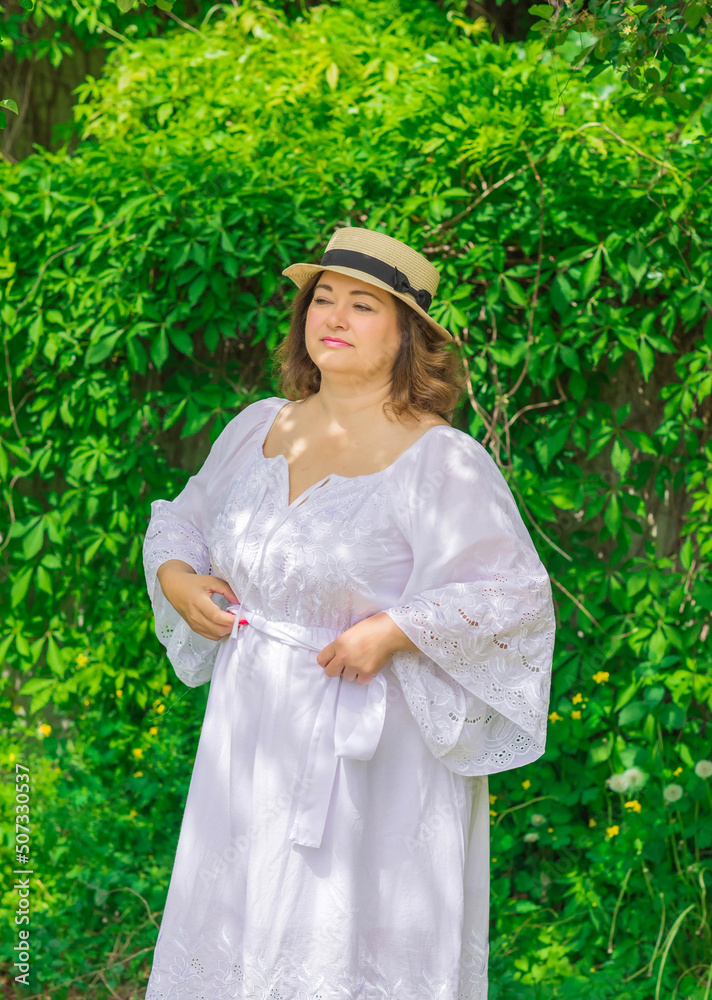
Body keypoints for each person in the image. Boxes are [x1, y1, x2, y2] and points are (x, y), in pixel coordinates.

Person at [141, 225, 555, 1000]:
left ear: (408, 336)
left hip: (372, 756)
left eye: (363, 306)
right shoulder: (259, 426)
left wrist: (394, 630)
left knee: (344, 940)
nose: (333, 316)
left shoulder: (442, 460)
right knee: (235, 926)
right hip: (249, 731)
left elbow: (512, 597)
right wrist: (177, 579)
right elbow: (184, 521)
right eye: (322, 298)